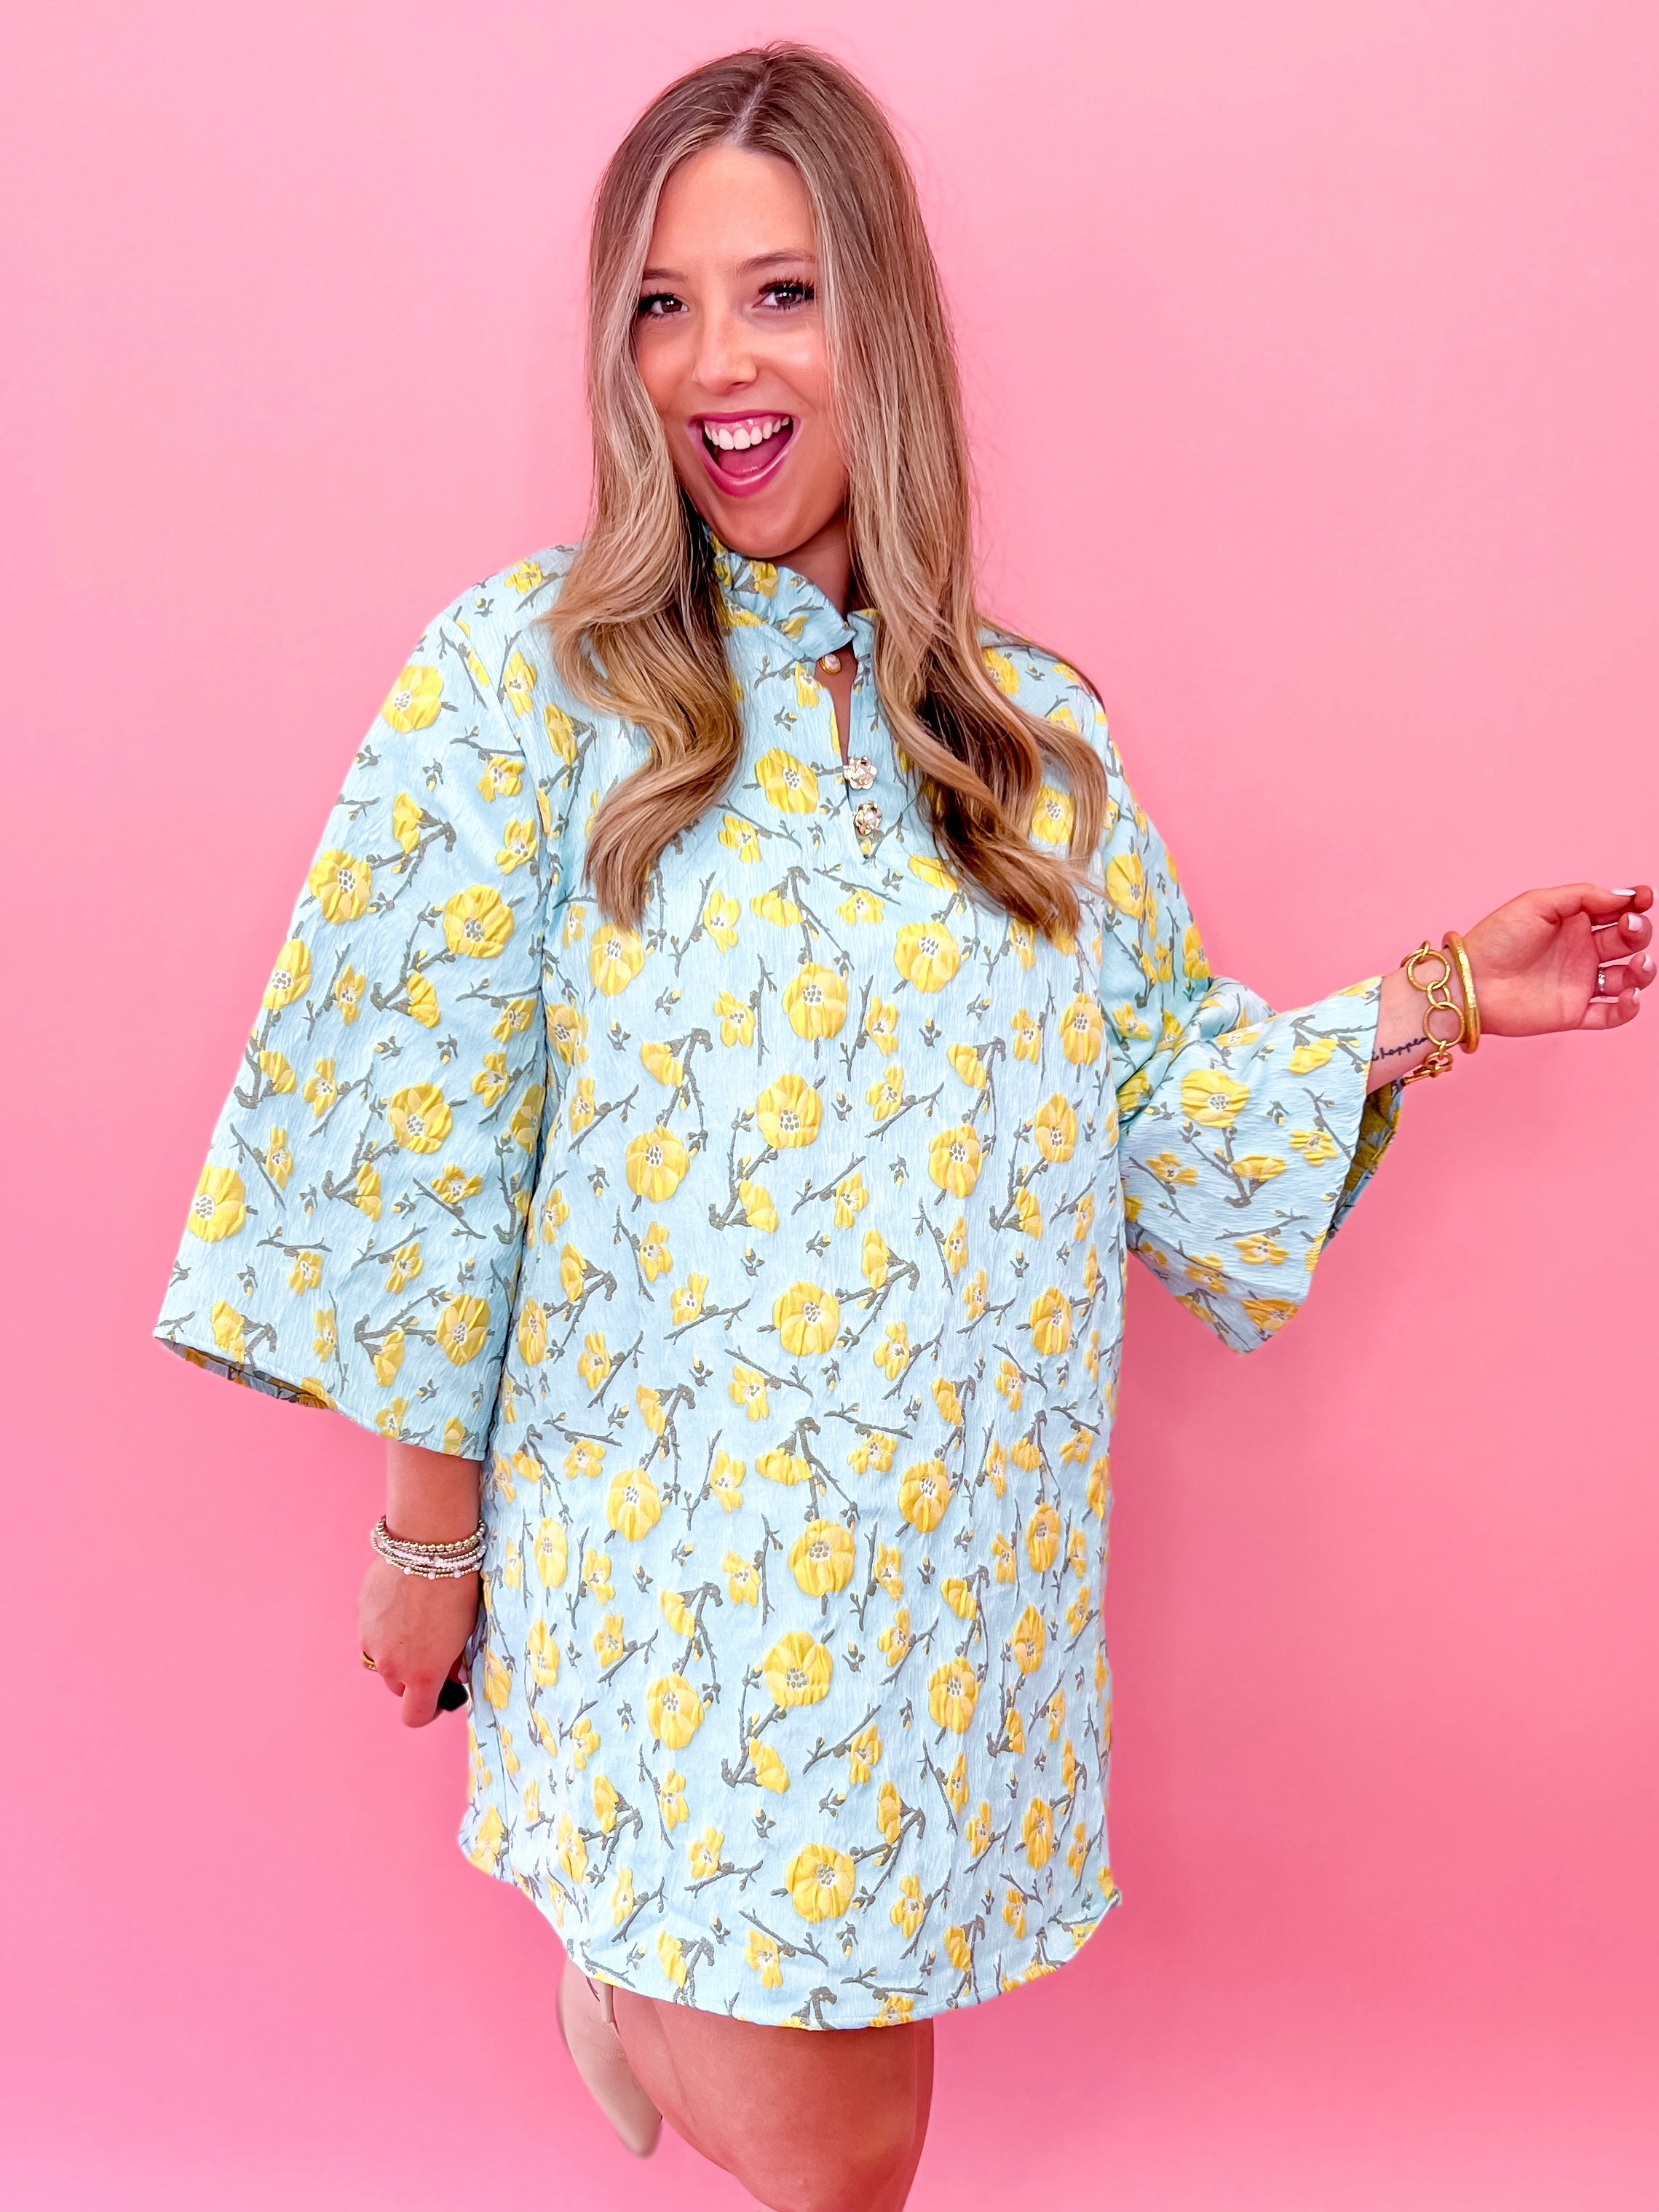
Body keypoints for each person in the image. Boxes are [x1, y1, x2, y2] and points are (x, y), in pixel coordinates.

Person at [155, 44, 1650, 2212]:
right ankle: (631, 1965)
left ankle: (634, 1985)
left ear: (884, 323)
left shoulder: (1032, 743)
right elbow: (414, 1132)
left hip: (942, 1610)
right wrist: (427, 1538)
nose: (716, 363)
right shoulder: (531, 684)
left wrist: (1443, 1001)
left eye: (780, 293)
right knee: (844, 2165)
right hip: (671, 1588)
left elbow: (1160, 1117)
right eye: (663, 305)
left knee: (878, 2139)